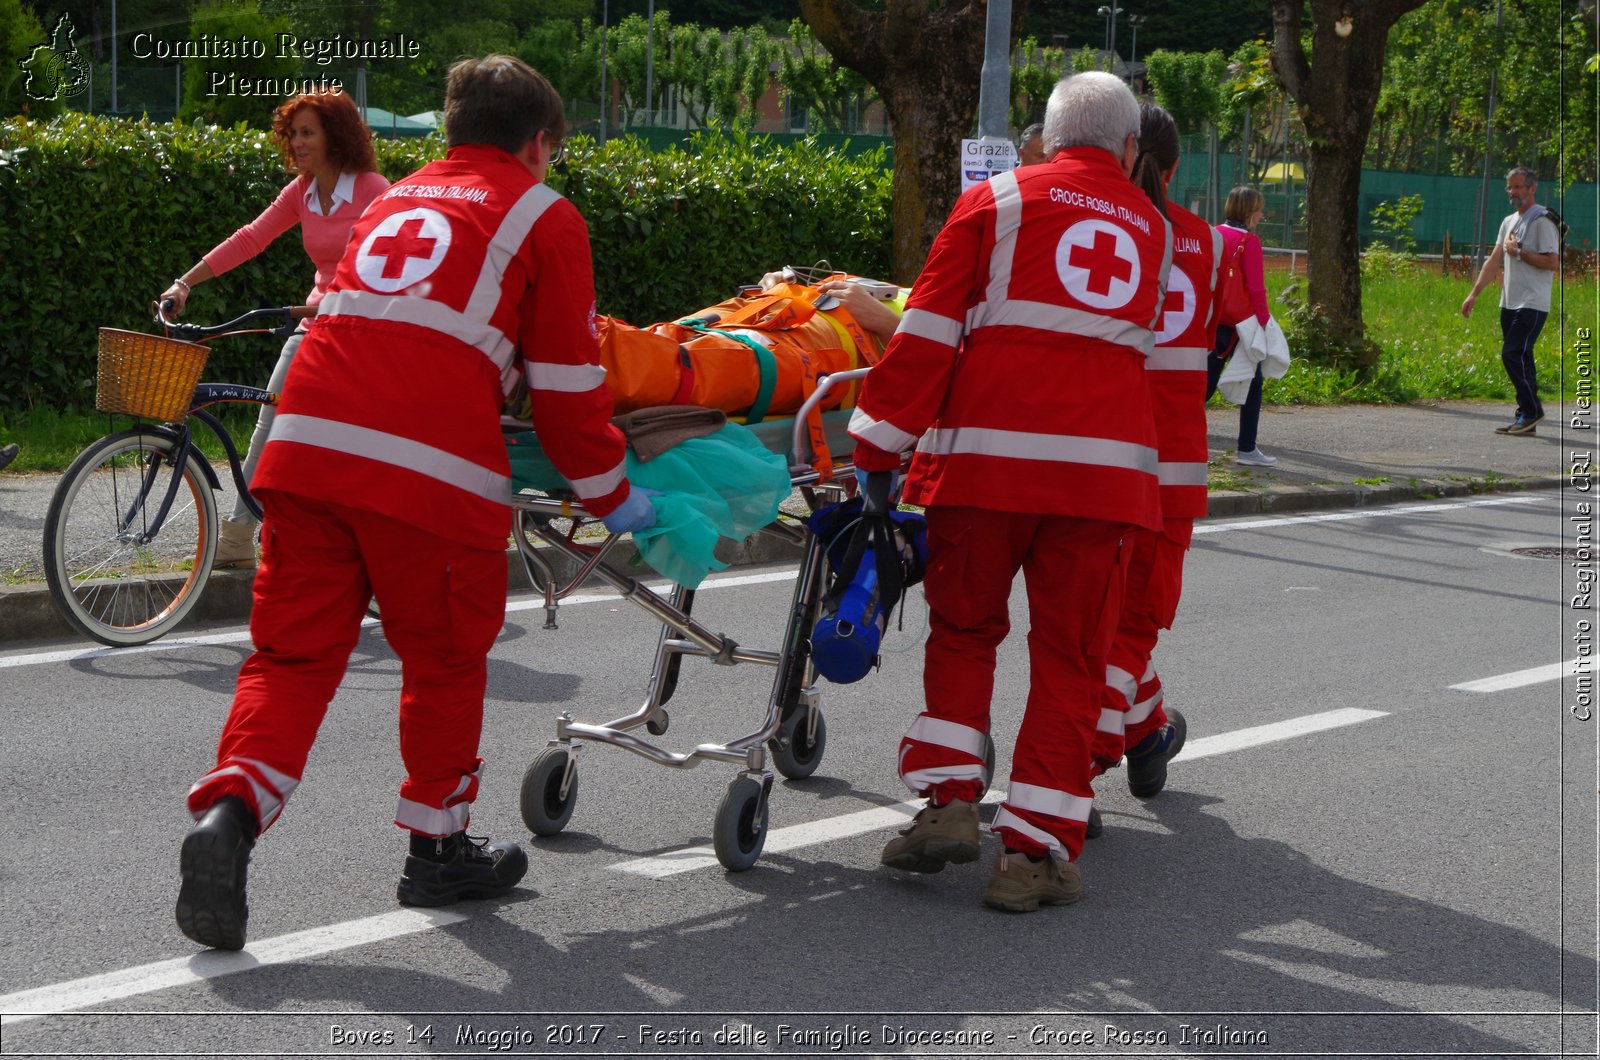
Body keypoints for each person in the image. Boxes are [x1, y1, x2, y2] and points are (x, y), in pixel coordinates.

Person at [176, 55, 656, 951]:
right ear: (540, 141)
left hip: (307, 451)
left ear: (449, 130)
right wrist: (613, 496)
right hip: (424, 471)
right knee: (441, 659)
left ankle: (230, 813)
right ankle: (437, 848)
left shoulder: (393, 199)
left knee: (289, 660)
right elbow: (563, 384)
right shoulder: (542, 213)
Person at [852, 71, 1171, 913]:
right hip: (1101, 485)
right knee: (1070, 660)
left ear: (1044, 139)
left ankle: (950, 805)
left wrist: (878, 442)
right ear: (1130, 149)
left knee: (963, 631)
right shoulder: (1156, 231)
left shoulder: (999, 202)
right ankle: (1031, 858)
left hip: (986, 468)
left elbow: (926, 331)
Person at [159, 89, 390, 568]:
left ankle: (341, 535)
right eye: (294, 133)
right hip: (315, 323)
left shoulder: (371, 189)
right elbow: (250, 239)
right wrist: (185, 282)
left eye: (309, 132)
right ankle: (243, 538)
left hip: (364, 334)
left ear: (336, 135)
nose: (299, 142)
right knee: (272, 417)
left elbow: (396, 258)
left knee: (337, 441)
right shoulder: (303, 192)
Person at [1089, 103, 1210, 801]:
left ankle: (1150, 730)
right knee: (1130, 625)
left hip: (1095, 451)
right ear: (1172, 167)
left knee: (1094, 622)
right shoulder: (1208, 244)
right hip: (1171, 468)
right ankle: (1075, 765)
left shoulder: (1098, 226)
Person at [1461, 166, 1561, 436]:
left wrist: (1520, 252)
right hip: (1510, 301)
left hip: (1533, 301)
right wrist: (1474, 293)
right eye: (1510, 187)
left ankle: (1532, 411)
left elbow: (1552, 262)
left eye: (1519, 187)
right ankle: (1525, 418)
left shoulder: (1543, 220)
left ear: (1532, 188)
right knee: (1523, 357)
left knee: (1512, 353)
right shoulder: (1508, 221)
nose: (1514, 192)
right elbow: (1495, 260)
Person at [1206, 185, 1275, 466]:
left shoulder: (1212, 233)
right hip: (1240, 324)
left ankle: (1181, 441)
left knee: (1204, 385)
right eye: (1258, 209)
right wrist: (1266, 323)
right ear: (1248, 211)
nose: (1261, 215)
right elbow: (1256, 289)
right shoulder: (1250, 243)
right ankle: (1247, 449)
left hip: (1211, 319)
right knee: (1253, 382)